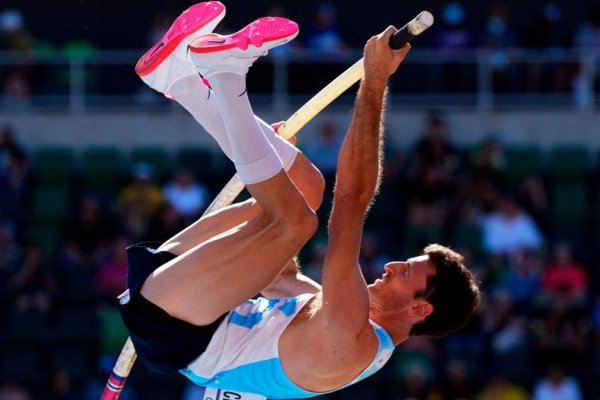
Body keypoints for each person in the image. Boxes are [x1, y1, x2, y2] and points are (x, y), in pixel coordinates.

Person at [119, 2, 481, 399]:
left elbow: (351, 202)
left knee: (297, 221)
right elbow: (281, 277)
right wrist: (267, 158)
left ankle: (225, 74)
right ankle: (182, 80)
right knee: (305, 187)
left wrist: (375, 81)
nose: (393, 265)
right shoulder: (334, 320)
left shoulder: (349, 334)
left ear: (419, 309)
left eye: (407, 273)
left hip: (172, 324)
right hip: (188, 294)